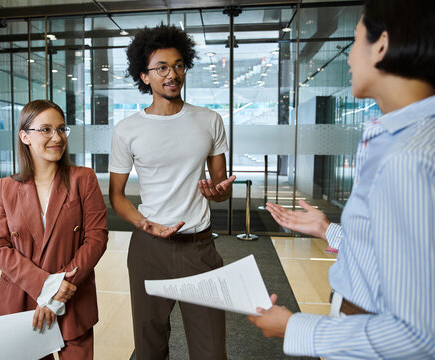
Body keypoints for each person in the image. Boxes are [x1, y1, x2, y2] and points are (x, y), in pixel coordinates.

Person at [249, 0, 435, 358]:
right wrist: (327, 230)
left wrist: (294, 328)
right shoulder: (402, 138)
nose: (348, 58)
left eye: (354, 42)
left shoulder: (408, 157)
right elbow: (400, 257)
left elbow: (417, 334)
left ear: (381, 45)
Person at [109, 24, 236, 360]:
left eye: (178, 65)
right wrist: (145, 224)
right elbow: (117, 196)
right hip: (149, 250)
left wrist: (219, 193)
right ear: (144, 76)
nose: (172, 74)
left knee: (211, 352)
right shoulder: (127, 130)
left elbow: (219, 184)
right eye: (161, 67)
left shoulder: (210, 121)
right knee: (150, 348)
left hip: (199, 247)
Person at [0, 100, 108, 359]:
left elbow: (96, 239)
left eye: (62, 129)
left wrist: (57, 295)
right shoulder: (5, 188)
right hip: (23, 302)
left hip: (73, 301)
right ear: (25, 136)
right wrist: (46, 287)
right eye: (46, 130)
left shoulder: (83, 179)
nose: (57, 137)